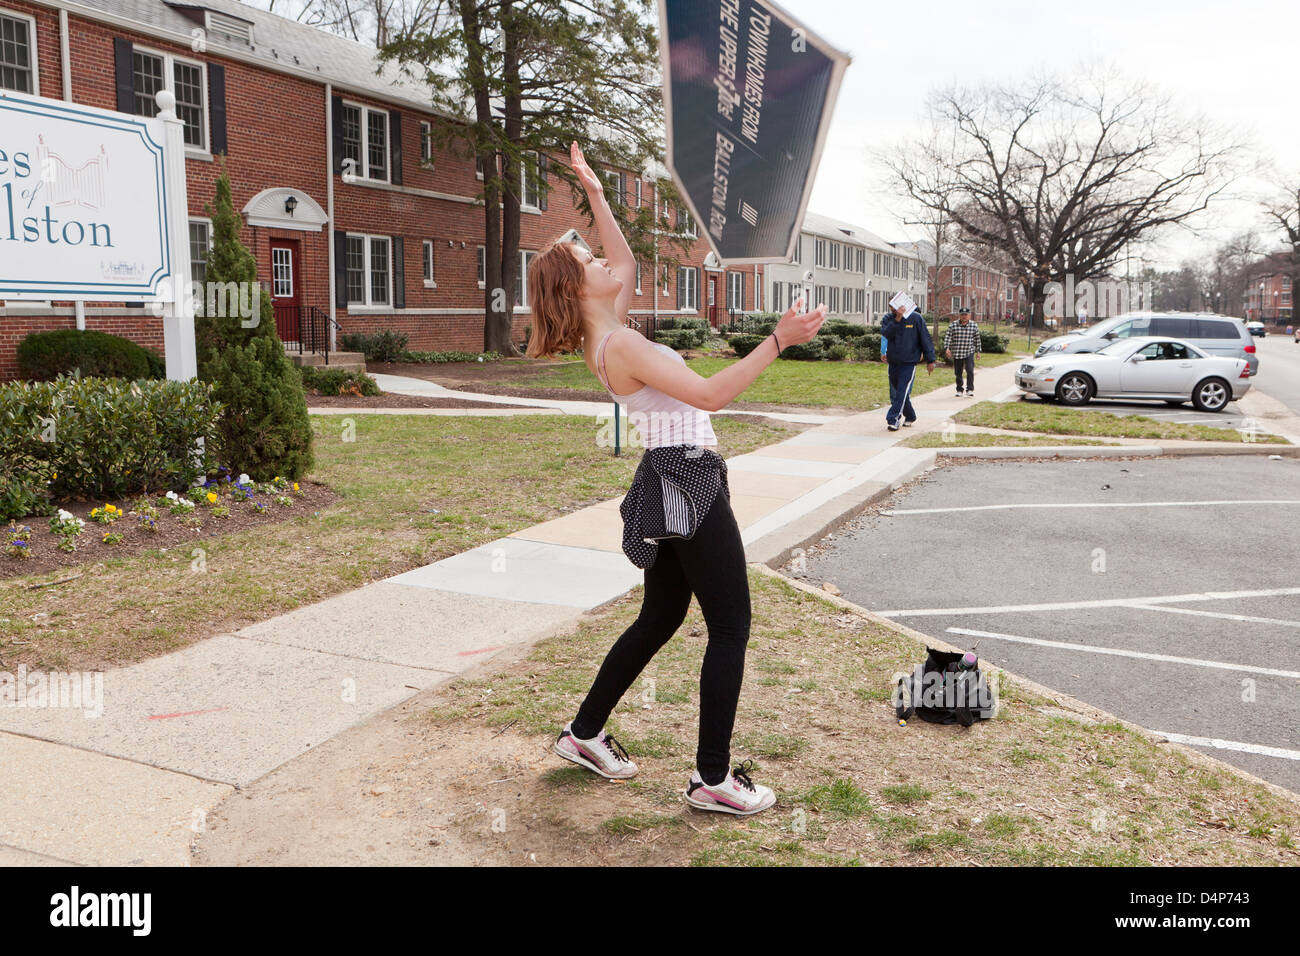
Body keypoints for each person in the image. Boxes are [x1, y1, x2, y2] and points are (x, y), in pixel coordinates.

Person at [529, 143, 827, 816]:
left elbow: (626, 260)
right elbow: (711, 395)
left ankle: (583, 735)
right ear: (580, 289)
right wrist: (777, 340)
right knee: (730, 624)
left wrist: (596, 195)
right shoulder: (624, 344)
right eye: (589, 262)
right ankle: (712, 780)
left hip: (663, 476)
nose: (606, 262)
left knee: (662, 614)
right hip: (687, 477)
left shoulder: (601, 340)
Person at [880, 301, 936, 430]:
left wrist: (930, 360)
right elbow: (886, 334)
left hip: (909, 361)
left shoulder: (916, 318)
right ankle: (910, 415)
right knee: (900, 390)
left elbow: (925, 339)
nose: (893, 309)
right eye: (891, 306)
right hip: (893, 361)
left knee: (901, 391)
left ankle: (893, 419)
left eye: (895, 306)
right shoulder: (888, 318)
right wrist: (898, 319)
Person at [942, 307, 981, 397]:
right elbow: (948, 337)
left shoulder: (974, 325)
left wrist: (978, 351)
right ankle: (959, 389)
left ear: (969, 315)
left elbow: (977, 339)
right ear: (959, 315)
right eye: (962, 315)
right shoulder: (953, 325)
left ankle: (970, 389)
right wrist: (947, 348)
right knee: (958, 372)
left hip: (969, 351)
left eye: (966, 315)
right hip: (957, 352)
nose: (964, 316)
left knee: (970, 370)